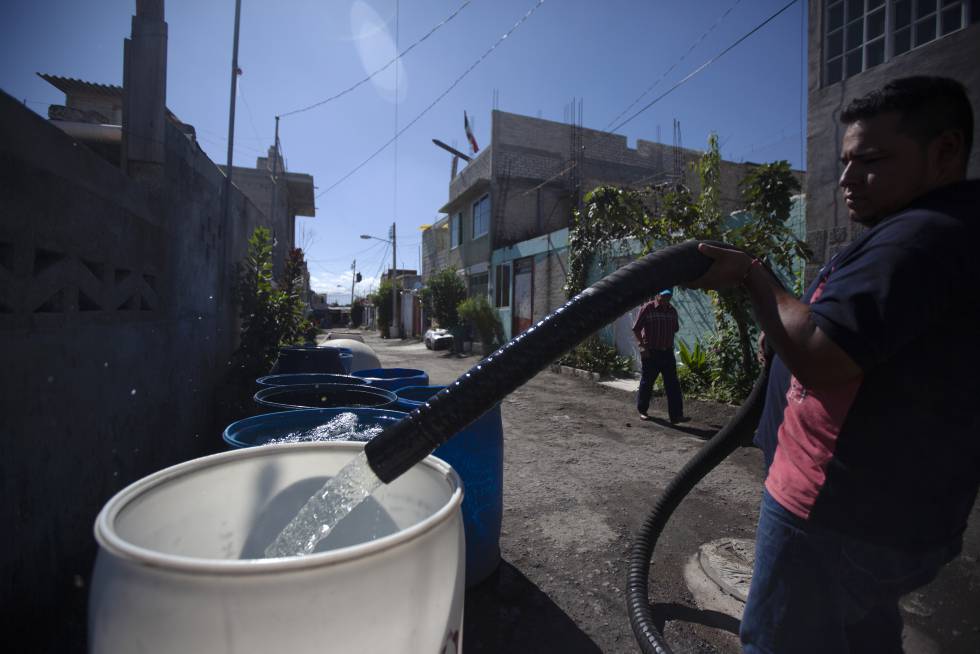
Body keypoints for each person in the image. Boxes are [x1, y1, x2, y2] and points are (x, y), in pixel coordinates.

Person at [688, 76, 979, 653]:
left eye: (870, 160)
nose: (847, 179)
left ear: (944, 151)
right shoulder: (942, 232)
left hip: (830, 520)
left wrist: (752, 274)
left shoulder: (917, 239)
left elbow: (822, 355)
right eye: (846, 161)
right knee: (862, 636)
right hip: (892, 515)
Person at [632, 288, 685, 424]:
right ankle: (642, 410)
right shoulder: (647, 308)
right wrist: (642, 347)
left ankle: (676, 415)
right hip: (651, 353)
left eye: (668, 296)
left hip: (667, 352)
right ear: (657, 295)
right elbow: (636, 328)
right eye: (663, 296)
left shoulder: (672, 311)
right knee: (647, 382)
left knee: (672, 384)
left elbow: (675, 328)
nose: (666, 299)